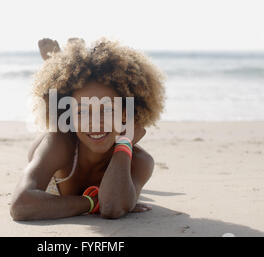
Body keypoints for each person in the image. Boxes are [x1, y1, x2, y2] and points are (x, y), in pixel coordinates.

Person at [10, 37, 165, 220]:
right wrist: (92, 201)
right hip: (67, 143)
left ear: (125, 114)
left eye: (107, 109)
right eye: (83, 111)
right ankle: (56, 63)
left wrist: (124, 142)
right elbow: (21, 205)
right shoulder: (58, 145)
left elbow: (112, 208)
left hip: (99, 146)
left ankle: (62, 65)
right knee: (56, 132)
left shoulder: (141, 161)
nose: (95, 122)